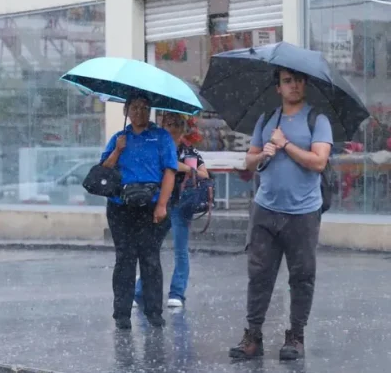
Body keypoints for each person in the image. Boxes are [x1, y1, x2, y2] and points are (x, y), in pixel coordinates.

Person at [229, 68, 332, 361]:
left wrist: (285, 144)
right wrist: (264, 154)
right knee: (259, 275)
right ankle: (253, 336)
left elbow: (319, 162)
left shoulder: (317, 120)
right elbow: (249, 161)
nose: (294, 85)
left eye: (299, 80)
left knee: (301, 276)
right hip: (265, 210)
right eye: (288, 81)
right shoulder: (267, 119)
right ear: (278, 88)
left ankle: (296, 336)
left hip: (303, 213)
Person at [100, 93, 177, 330]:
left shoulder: (161, 137)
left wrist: (162, 204)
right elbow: (103, 170)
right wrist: (117, 151)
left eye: (144, 108)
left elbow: (170, 172)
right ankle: (121, 314)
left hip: (151, 207)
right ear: (126, 111)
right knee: (124, 259)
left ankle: (153, 311)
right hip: (120, 207)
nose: (138, 112)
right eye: (134, 108)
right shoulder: (118, 138)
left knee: (150, 259)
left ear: (150, 111)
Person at [134, 113, 209, 309]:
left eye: (176, 123)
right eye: (167, 123)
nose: (171, 127)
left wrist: (183, 167)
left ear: (183, 128)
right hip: (157, 202)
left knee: (180, 251)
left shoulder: (189, 151)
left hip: (181, 204)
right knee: (150, 248)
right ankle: (141, 290)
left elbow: (203, 174)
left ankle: (177, 293)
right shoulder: (157, 148)